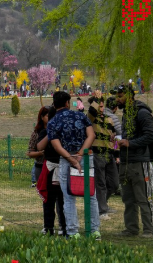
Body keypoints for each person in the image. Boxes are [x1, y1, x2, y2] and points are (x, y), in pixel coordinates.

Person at [47, 91, 100, 239]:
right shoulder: (81, 116)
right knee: (91, 195)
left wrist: (72, 159)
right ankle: (94, 230)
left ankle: (72, 232)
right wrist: (81, 153)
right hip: (86, 157)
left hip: (66, 159)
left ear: (54, 104)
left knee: (68, 196)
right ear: (67, 103)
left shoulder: (53, 122)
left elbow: (57, 146)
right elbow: (91, 135)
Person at [114, 85, 153, 237]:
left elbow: (151, 135)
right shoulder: (127, 113)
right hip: (125, 161)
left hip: (139, 161)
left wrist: (130, 143)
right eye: (116, 96)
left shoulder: (142, 112)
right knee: (128, 198)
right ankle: (131, 228)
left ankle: (149, 229)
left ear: (129, 96)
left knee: (143, 197)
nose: (117, 99)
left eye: (120, 96)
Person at [31, 106, 67, 235]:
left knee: (62, 200)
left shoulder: (63, 130)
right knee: (49, 200)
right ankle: (48, 227)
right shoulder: (44, 132)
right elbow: (39, 146)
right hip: (50, 168)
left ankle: (64, 226)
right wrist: (50, 131)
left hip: (62, 166)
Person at [88, 94, 120, 220]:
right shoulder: (91, 119)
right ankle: (101, 210)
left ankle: (103, 204)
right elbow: (91, 112)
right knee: (100, 183)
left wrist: (117, 154)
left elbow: (115, 138)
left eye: (102, 106)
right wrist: (95, 100)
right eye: (98, 106)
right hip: (97, 154)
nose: (101, 109)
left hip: (110, 154)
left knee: (114, 183)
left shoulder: (109, 119)